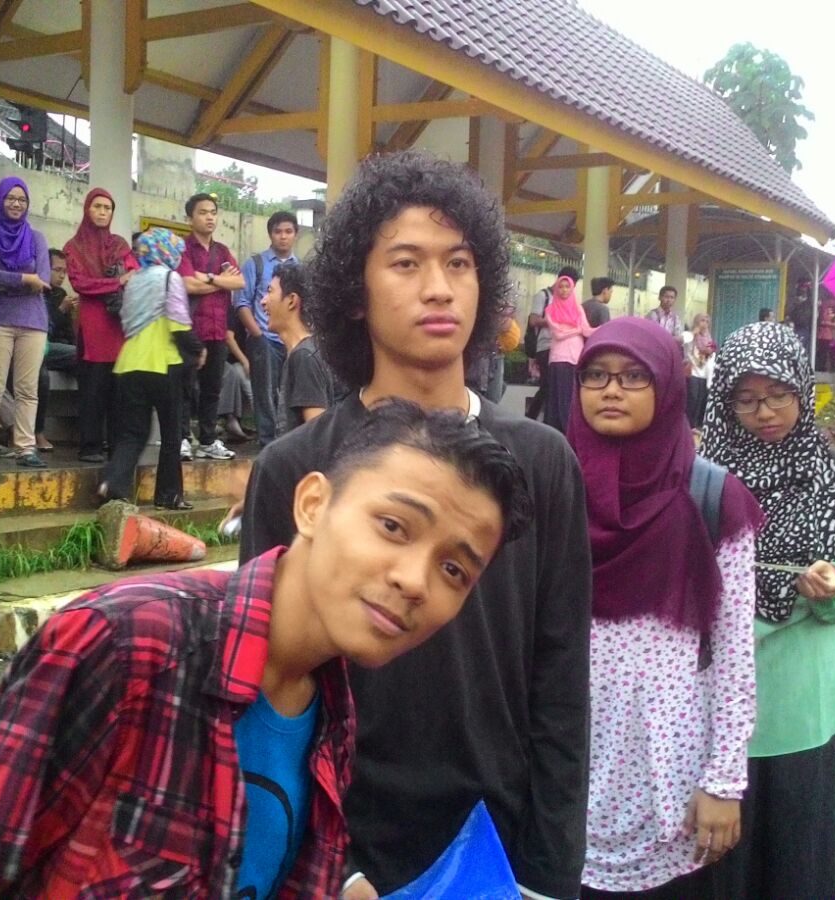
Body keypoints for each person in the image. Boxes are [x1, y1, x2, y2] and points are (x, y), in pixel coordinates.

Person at [0, 400, 529, 898]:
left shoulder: (331, 710)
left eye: (454, 570)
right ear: (313, 505)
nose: (415, 581)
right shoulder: (124, 642)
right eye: (393, 526)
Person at [241, 150, 591, 900]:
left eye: (459, 263)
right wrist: (325, 864)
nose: (439, 287)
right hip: (336, 845)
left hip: (498, 845)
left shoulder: (541, 461)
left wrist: (551, 873)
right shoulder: (294, 467)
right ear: (355, 292)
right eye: (406, 263)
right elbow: (263, 678)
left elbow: (561, 679)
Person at [571, 318, 762, 900]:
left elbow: (734, 653)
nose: (611, 390)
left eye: (634, 376)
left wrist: (724, 781)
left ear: (668, 386)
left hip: (671, 778)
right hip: (564, 774)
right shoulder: (553, 487)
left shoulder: (712, 498)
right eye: (595, 375)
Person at [699, 322, 835, 898]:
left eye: (778, 394)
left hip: (802, 697)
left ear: (801, 389)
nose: (765, 412)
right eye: (747, 399)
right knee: (721, 859)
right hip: (715, 693)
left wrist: (833, 587)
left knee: (796, 854)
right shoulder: (702, 480)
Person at [97, 228, 202, 510]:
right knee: (171, 434)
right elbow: (178, 324)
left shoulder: (134, 281)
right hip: (162, 363)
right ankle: (169, 496)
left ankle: (112, 483)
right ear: (167, 252)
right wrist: (197, 349)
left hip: (129, 363)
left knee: (133, 433)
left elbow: (125, 319)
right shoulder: (169, 277)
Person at [0, 176, 50, 469]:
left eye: (22, 199)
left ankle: (25, 448)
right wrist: (24, 279)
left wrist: (6, 284)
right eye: (11, 198)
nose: (16, 204)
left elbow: (42, 280)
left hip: (33, 322)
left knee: (28, 388)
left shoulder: (36, 238)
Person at [64, 188, 138, 463]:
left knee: (119, 391)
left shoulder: (119, 244)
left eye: (107, 208)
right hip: (93, 328)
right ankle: (90, 447)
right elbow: (80, 283)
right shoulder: (74, 247)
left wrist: (122, 280)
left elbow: (134, 272)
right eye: (97, 206)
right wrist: (115, 282)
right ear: (87, 209)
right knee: (93, 389)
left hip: (118, 326)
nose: (102, 212)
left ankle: (117, 446)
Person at [178, 192, 244, 461]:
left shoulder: (223, 251)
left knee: (212, 388)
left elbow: (239, 282)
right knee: (184, 386)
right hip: (190, 327)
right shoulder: (183, 248)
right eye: (203, 212)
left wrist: (207, 278)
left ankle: (207, 440)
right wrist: (219, 280)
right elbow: (186, 284)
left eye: (213, 213)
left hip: (218, 328)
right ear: (190, 218)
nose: (209, 217)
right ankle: (182, 438)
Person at [236, 210, 299, 446]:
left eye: (288, 231)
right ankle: (267, 442)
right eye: (278, 231)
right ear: (270, 234)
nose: (283, 236)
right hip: (263, 338)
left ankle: (287, 442)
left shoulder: (300, 267)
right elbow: (242, 303)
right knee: (264, 392)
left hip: (290, 340)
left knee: (290, 392)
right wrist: (258, 335)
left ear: (295, 234)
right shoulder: (255, 264)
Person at [263, 264, 337, 433]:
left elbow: (318, 435)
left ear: (292, 301)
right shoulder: (308, 351)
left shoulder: (304, 357)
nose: (263, 301)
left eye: (270, 291)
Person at [34, 247, 77, 451]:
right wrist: (61, 310)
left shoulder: (61, 293)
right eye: (57, 270)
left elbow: (66, 332)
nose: (61, 276)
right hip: (39, 344)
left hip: (57, 348)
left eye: (64, 271)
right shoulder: (38, 291)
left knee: (89, 362)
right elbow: (44, 328)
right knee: (41, 375)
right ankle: (38, 431)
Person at [524, 265, 578, 420]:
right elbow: (533, 320)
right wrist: (555, 320)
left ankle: (544, 420)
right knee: (547, 386)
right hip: (545, 346)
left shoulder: (567, 299)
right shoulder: (543, 296)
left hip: (561, 349)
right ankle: (533, 418)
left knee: (552, 387)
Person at [544, 273, 595, 432]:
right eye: (561, 287)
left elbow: (587, 331)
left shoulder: (578, 308)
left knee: (573, 398)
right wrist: (577, 330)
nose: (564, 290)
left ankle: (571, 433)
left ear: (572, 288)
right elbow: (558, 334)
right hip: (559, 359)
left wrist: (606, 328)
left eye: (567, 287)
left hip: (576, 358)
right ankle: (560, 433)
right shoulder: (550, 310)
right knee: (559, 400)